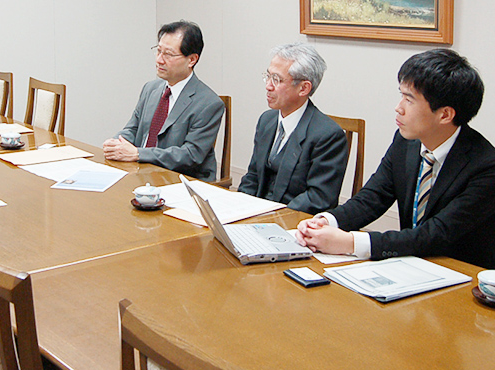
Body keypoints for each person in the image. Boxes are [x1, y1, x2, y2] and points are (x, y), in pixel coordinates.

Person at [296, 49, 495, 269]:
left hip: (463, 274)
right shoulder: (406, 142)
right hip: (412, 265)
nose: (398, 108)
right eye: (401, 95)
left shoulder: (486, 165)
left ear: (445, 114)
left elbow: (436, 234)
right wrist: (326, 221)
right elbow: (372, 198)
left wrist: (351, 243)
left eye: (409, 100)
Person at [103, 20, 224, 180]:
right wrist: (117, 143)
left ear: (192, 60)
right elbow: (133, 128)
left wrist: (139, 154)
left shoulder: (209, 103)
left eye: (168, 54)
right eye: (158, 51)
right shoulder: (150, 89)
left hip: (180, 181)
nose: (159, 60)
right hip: (142, 174)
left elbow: (190, 155)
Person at [237, 43, 348, 214]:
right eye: (268, 76)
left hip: (293, 224)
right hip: (254, 216)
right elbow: (252, 176)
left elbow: (318, 198)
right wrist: (238, 209)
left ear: (304, 88)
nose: (268, 86)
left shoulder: (327, 135)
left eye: (277, 79)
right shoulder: (266, 120)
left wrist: (268, 217)